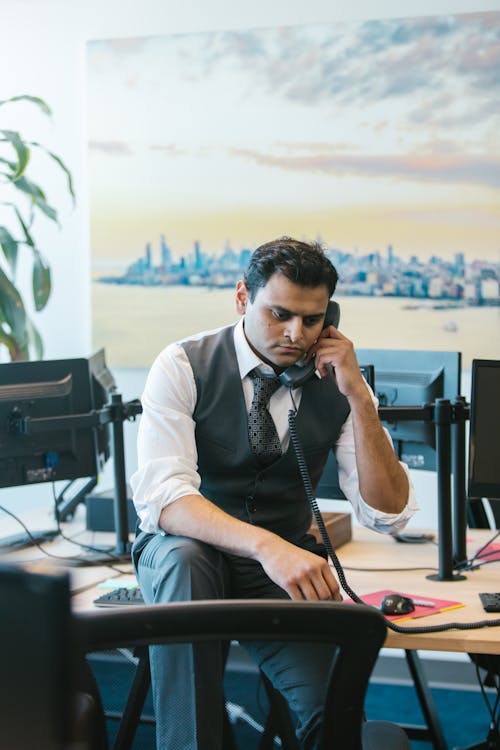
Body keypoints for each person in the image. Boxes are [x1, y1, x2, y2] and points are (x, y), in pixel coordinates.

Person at [130, 236, 418, 750]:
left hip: (277, 565)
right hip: (193, 555)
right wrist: (268, 547)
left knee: (335, 718)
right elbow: (167, 498)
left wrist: (358, 397)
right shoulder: (181, 365)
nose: (295, 334)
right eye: (279, 314)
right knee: (187, 561)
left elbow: (387, 514)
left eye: (312, 320)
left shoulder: (338, 380)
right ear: (243, 297)